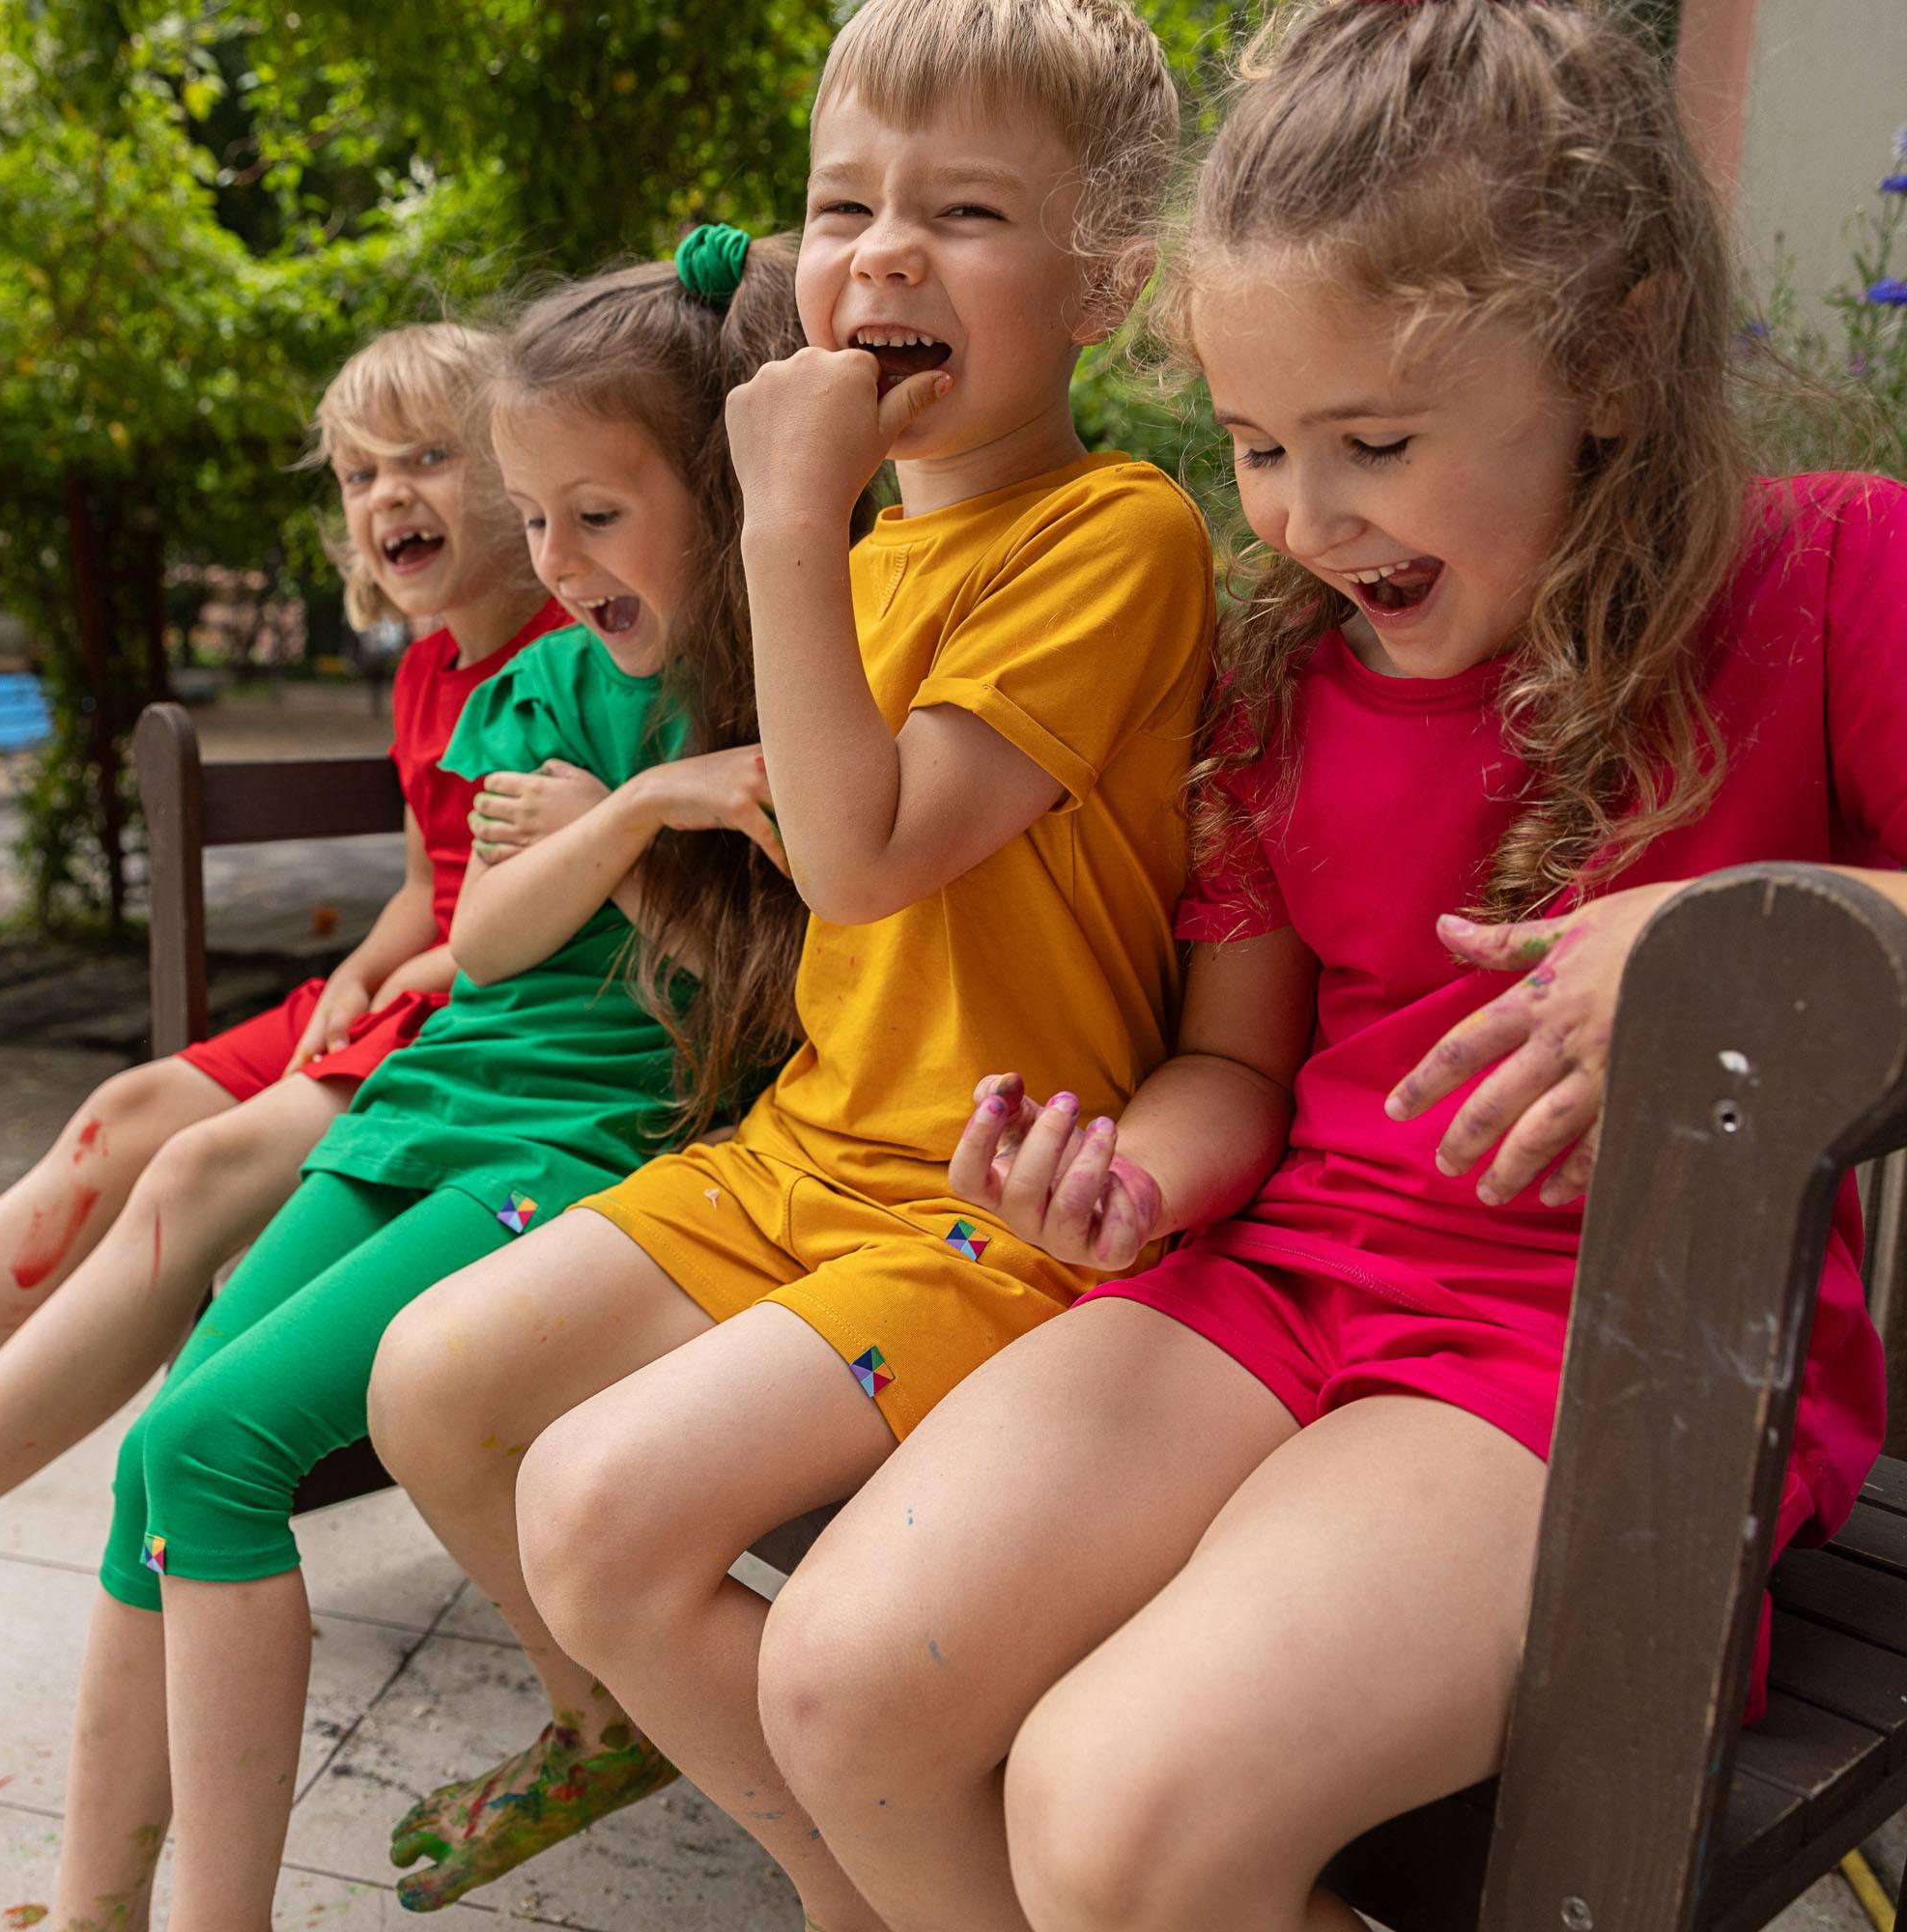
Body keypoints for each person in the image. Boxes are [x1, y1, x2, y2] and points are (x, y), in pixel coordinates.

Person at [753, 5, 1907, 1930]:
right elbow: (1242, 1072)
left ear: (1607, 360)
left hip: (1605, 1355)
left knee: (1113, 1810)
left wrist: (1748, 954)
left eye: (1371, 441)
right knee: (840, 1683)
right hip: (1274, 1279)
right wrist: (1131, 1180)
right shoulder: (1284, 680)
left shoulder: (1821, 580)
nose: (1299, 513)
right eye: (1256, 444)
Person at [368, 5, 1214, 1918]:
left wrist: (778, 516)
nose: (886, 251)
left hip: (989, 1205)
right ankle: (825, 1857)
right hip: (810, 1148)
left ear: (1105, 284)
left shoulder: (1115, 534)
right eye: (845, 206)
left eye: (966, 210)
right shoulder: (860, 548)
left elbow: (861, 846)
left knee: (600, 1506)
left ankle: (901, 1896)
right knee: (435, 1387)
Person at [43, 242, 805, 1932]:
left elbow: (758, 952)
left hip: (581, 1141)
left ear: (720, 488)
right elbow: (497, 933)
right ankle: (96, 1902)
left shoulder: (788, 673)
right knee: (157, 1462)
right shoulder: (543, 684)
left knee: (222, 1441)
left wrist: (621, 829)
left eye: (594, 514)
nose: (555, 560)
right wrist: (636, 813)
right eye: (535, 521)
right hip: (435, 1099)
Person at [0, 323, 561, 1517]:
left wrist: (414, 975)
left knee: (198, 1168)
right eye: (360, 473)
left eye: (427, 456)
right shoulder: (422, 673)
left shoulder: (573, 658)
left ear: (521, 471)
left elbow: (548, 905)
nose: (388, 491)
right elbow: (424, 880)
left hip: (490, 1010)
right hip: (410, 985)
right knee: (122, 1110)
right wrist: (356, 970)